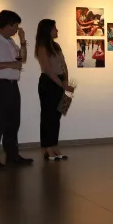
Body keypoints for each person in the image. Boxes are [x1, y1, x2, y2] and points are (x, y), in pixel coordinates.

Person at [0, 10, 31, 168]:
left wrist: (22, 42)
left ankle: (12, 155)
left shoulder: (11, 41)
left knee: (13, 122)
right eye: (16, 26)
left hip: (12, 84)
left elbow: (23, 59)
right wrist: (9, 65)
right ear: (8, 25)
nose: (17, 29)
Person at [34, 19, 69, 161]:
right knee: (48, 116)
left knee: (57, 115)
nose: (57, 30)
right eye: (55, 28)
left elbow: (64, 64)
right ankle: (47, 148)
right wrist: (61, 84)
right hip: (49, 83)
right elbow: (47, 69)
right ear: (48, 30)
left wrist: (66, 80)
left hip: (61, 82)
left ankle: (55, 145)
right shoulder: (42, 47)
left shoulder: (56, 45)